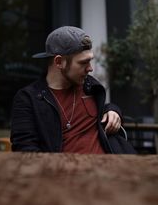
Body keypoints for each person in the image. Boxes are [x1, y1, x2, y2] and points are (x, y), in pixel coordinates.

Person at [11, 26, 135, 154]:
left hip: (113, 167)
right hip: (64, 172)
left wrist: (113, 110)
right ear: (59, 62)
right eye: (83, 63)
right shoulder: (28, 98)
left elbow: (102, 110)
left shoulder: (90, 87)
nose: (90, 69)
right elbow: (25, 151)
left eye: (90, 61)